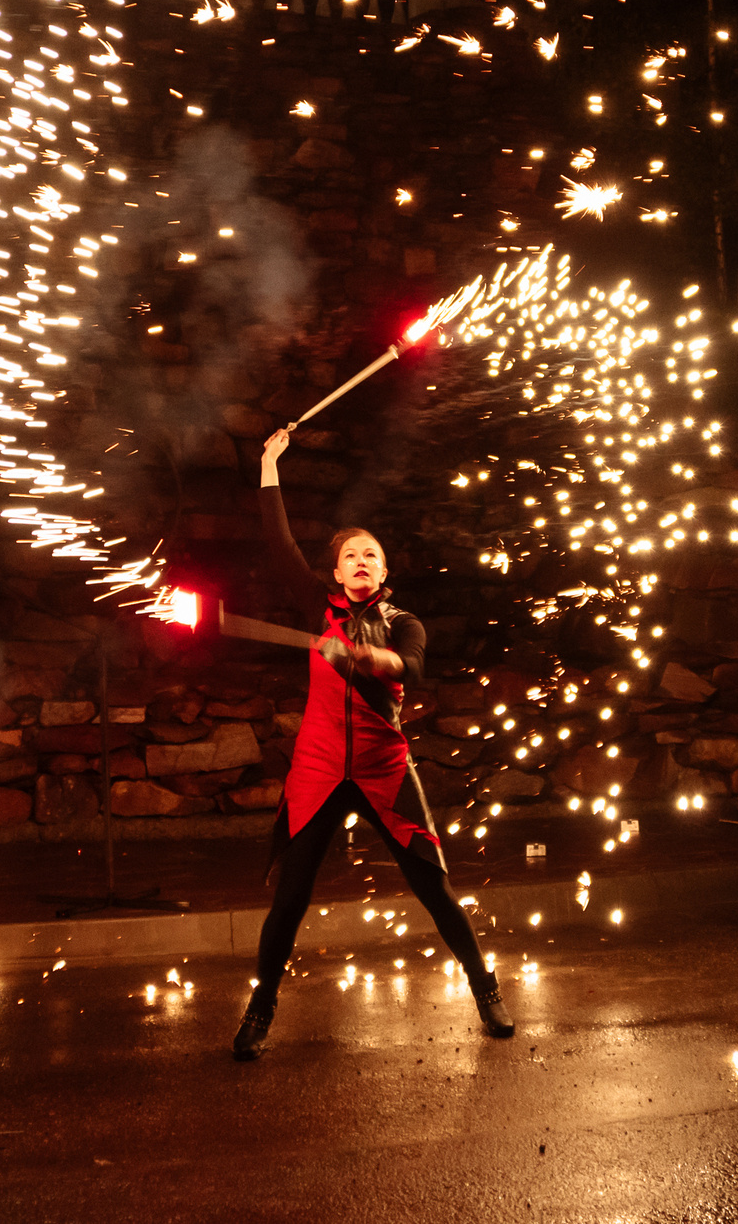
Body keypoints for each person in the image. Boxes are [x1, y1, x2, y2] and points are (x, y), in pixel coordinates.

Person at [231, 426, 515, 1060]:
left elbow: (407, 669)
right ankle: (260, 1008)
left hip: (386, 769)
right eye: (350, 555)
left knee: (434, 887)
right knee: (290, 899)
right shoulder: (315, 605)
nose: (361, 561)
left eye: (371, 555)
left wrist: (359, 655)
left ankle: (484, 988)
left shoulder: (404, 623)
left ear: (384, 571)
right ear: (335, 572)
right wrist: (269, 467)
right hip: (320, 766)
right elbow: (278, 543)